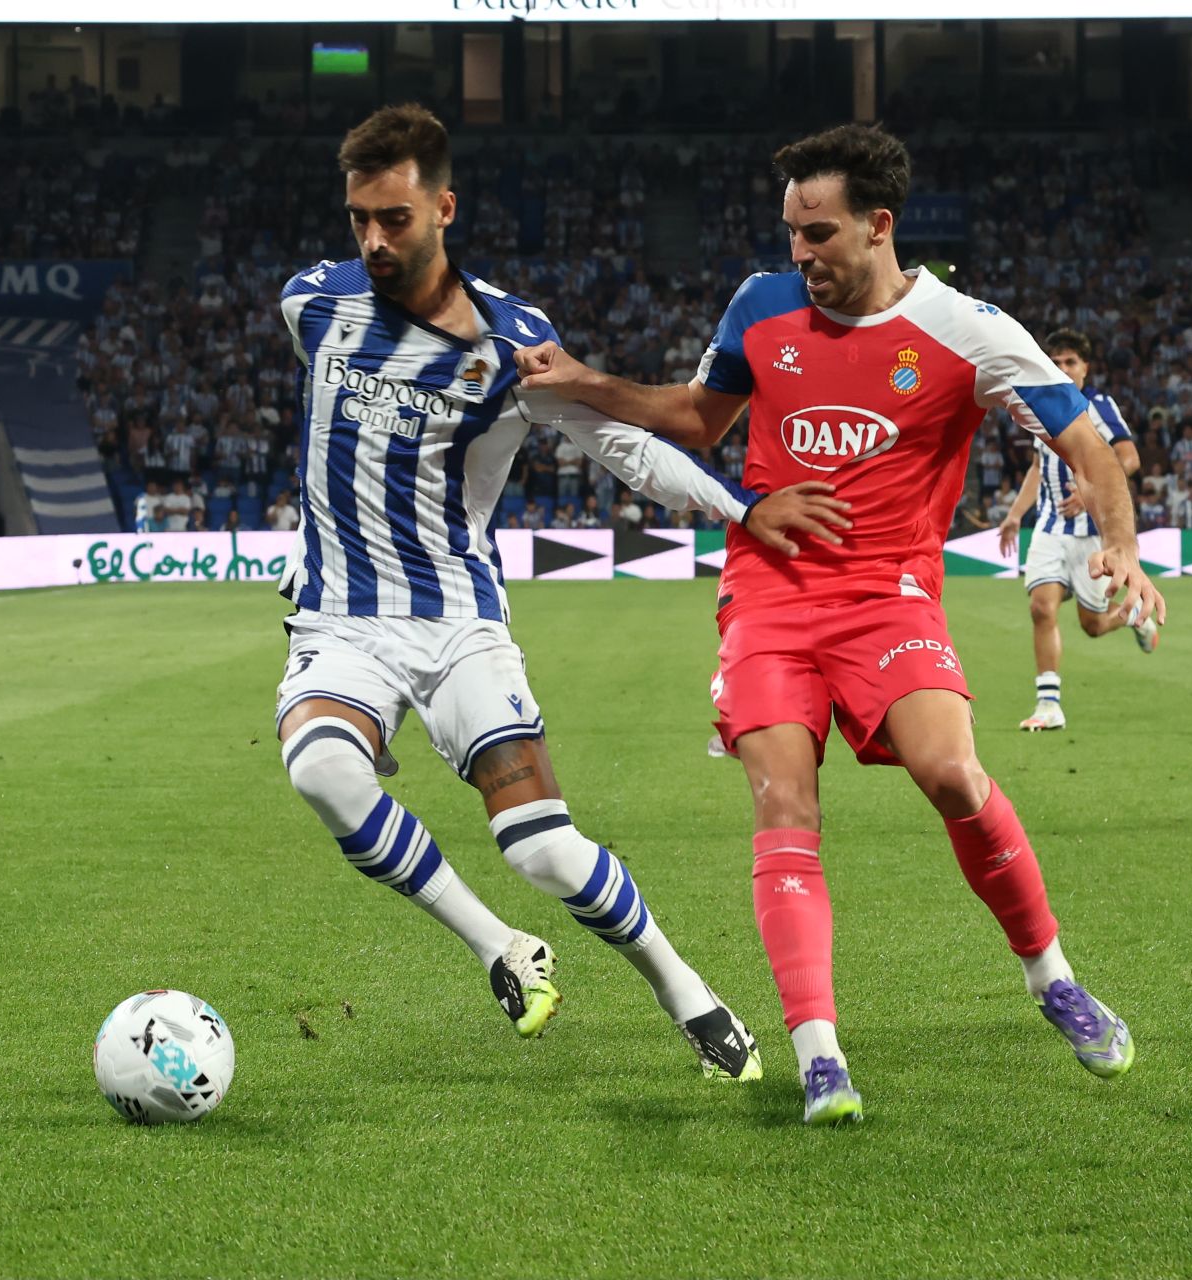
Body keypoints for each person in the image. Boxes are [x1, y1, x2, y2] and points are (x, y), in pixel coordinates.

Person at [514, 123, 1165, 1125]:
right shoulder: (760, 304)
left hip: (888, 595)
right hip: (769, 594)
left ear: (879, 225)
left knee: (952, 772)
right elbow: (696, 418)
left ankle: (1052, 978)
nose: (800, 253)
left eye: (817, 233)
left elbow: (1087, 443)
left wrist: (1120, 543)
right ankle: (819, 1053)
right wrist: (583, 381)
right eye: (791, 231)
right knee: (784, 802)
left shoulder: (970, 329)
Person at [277, 104, 846, 1079]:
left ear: (443, 209)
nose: (374, 240)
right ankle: (502, 946)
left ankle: (687, 991)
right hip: (340, 622)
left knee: (539, 845)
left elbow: (620, 446)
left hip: (458, 624)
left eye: (395, 219)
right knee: (322, 771)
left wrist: (742, 508)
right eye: (359, 218)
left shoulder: (511, 341)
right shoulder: (312, 304)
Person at [997, 328, 1158, 732]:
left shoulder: (1098, 406)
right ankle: (1048, 704)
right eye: (1056, 362)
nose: (1064, 368)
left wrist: (1092, 494)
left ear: (1085, 367)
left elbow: (1129, 457)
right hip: (1049, 528)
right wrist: (1015, 514)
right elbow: (1038, 467)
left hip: (1090, 535)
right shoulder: (1039, 405)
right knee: (1041, 607)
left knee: (1093, 625)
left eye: (1071, 362)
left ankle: (1135, 617)